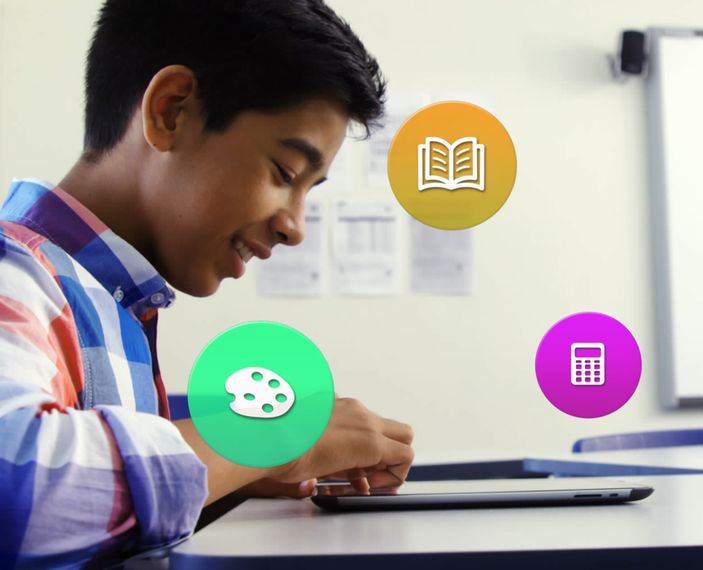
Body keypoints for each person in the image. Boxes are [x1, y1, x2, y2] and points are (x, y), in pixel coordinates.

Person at [0, 0, 414, 566]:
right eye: (285, 173)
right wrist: (269, 439)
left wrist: (227, 478)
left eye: (308, 192)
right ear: (171, 111)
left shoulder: (110, 304)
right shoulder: (15, 271)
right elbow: (17, 488)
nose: (294, 227)